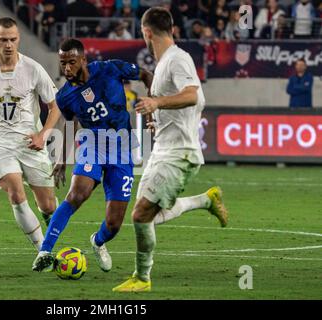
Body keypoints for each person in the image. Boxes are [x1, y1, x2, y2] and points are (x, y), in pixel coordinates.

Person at [112, 7, 228, 293]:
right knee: (148, 215)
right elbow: (176, 102)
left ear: (146, 32)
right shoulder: (163, 63)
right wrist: (157, 119)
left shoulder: (178, 59)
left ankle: (142, 278)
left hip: (180, 152)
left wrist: (156, 104)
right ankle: (205, 201)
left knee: (140, 215)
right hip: (164, 148)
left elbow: (193, 96)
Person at [31, 38, 154, 272]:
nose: (66, 68)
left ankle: (98, 242)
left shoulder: (109, 68)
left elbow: (147, 75)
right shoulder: (65, 96)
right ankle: (45, 251)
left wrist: (152, 110)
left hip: (123, 147)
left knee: (114, 223)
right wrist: (62, 160)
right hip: (93, 144)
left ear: (84, 60)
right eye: (62, 63)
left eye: (72, 62)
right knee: (78, 194)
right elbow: (71, 125)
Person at [0, 17, 62, 251]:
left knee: (48, 205)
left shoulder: (33, 69)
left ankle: (49, 223)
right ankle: (43, 251)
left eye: (13, 39)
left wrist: (43, 134)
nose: (8, 44)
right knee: (16, 194)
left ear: (19, 40)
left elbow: (54, 106)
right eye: (3, 39)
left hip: (30, 142)